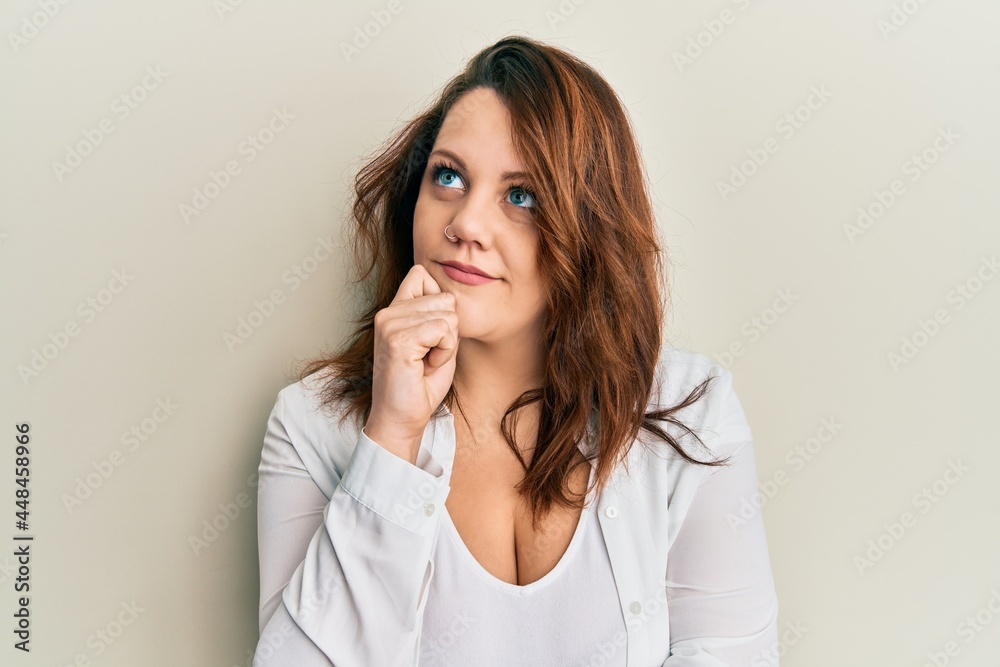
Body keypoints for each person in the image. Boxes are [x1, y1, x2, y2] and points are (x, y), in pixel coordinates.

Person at [253, 35, 779, 666]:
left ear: (589, 225)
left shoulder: (690, 414)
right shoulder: (312, 427)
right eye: (448, 177)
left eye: (520, 195)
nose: (466, 224)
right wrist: (391, 438)